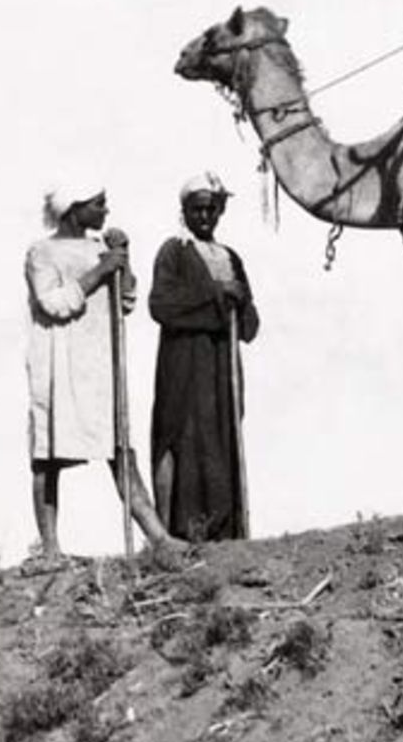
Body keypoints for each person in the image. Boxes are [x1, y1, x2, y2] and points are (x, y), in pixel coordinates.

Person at [23, 180, 175, 566]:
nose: (105, 211)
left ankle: (159, 537)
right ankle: (51, 548)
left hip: (101, 364)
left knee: (121, 449)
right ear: (75, 208)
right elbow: (53, 303)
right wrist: (100, 271)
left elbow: (126, 301)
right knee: (49, 456)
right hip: (61, 366)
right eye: (98, 204)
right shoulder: (42, 253)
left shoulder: (100, 249)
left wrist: (122, 259)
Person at [149, 172, 260, 543]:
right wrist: (216, 293)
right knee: (184, 437)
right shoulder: (174, 251)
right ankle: (179, 532)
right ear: (184, 211)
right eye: (196, 210)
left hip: (222, 367)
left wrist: (240, 300)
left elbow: (250, 326)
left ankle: (226, 531)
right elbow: (161, 305)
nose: (204, 217)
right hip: (184, 366)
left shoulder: (231, 257)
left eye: (211, 209)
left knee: (221, 438)